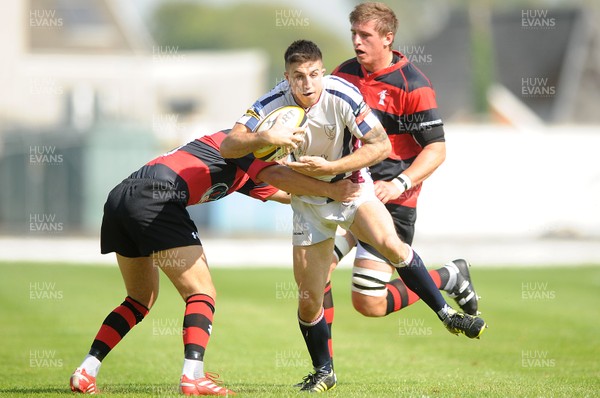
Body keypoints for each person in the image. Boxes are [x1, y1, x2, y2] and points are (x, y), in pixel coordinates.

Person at [220, 40, 486, 393]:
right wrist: (264, 136)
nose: (308, 84)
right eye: (298, 77)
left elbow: (381, 147)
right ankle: (324, 371)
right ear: (286, 78)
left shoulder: (342, 94)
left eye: (314, 74)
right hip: (308, 202)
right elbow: (228, 146)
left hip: (352, 189)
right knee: (308, 296)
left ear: (323, 73)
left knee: (391, 244)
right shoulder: (271, 104)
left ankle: (446, 313)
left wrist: (332, 167)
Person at [69, 129, 360, 396]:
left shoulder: (250, 169)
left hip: (123, 198)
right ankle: (193, 375)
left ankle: (86, 370)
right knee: (202, 292)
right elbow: (286, 180)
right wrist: (333, 188)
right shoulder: (242, 144)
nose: (288, 154)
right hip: (157, 196)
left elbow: (287, 193)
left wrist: (340, 196)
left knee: (139, 299)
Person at [320, 2, 482, 356]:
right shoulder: (342, 74)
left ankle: (448, 276)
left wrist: (399, 184)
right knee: (315, 278)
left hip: (390, 205)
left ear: (388, 39)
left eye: (365, 36)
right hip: (348, 194)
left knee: (369, 304)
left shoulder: (413, 86)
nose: (357, 42)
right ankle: (324, 369)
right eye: (354, 35)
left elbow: (436, 150)